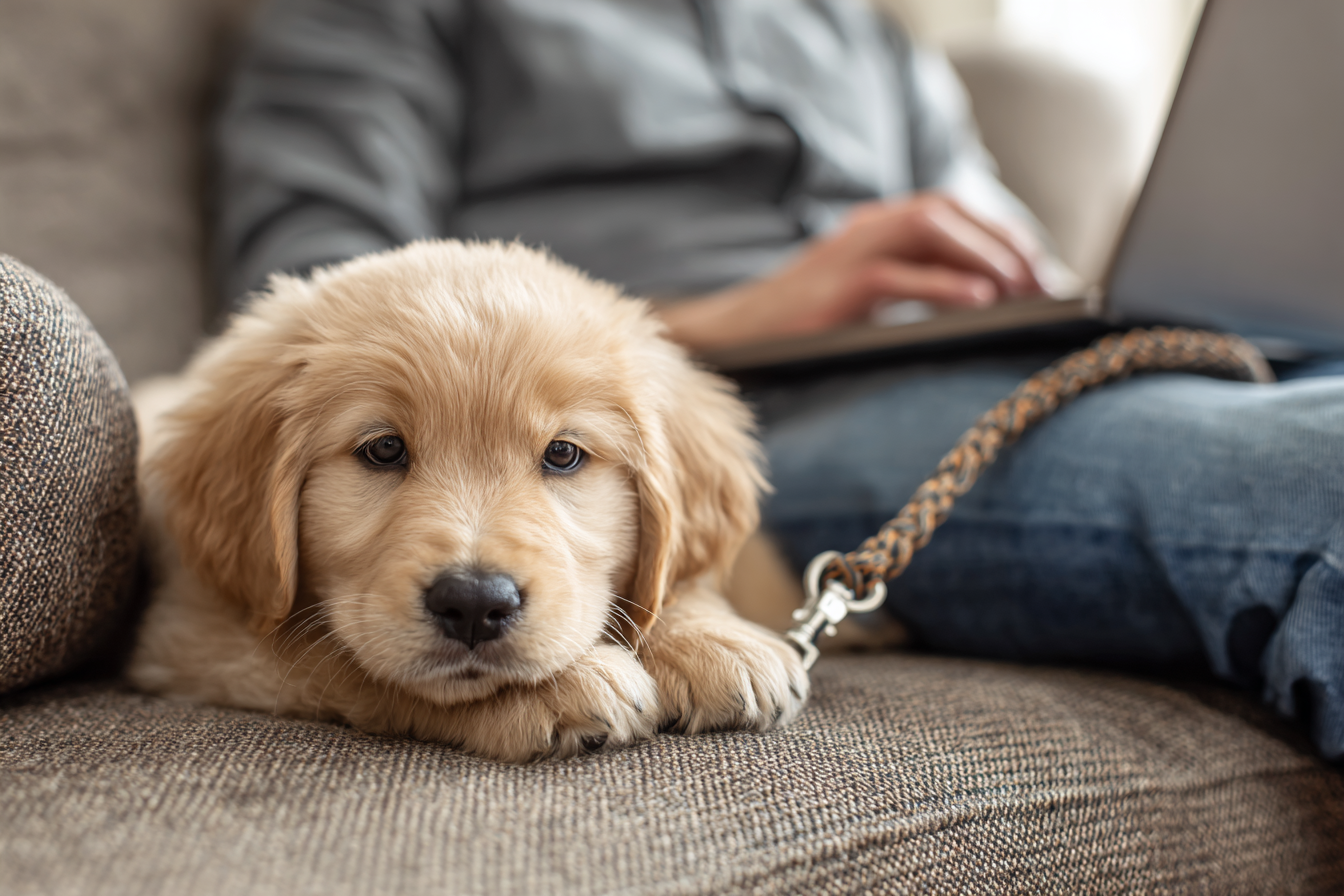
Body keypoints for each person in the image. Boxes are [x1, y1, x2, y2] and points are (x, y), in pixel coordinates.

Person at [214, 0, 1344, 759]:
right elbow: (305, 277)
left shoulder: (853, 21)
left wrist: (1050, 294)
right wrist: (749, 313)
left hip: (988, 359)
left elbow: (990, 232)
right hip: (759, 389)